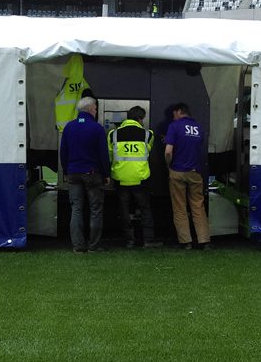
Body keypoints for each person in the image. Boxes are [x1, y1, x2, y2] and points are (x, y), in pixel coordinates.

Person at [60, 96, 110, 253]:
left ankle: (78, 246)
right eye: (95, 108)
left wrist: (66, 170)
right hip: (92, 174)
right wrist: (106, 173)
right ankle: (93, 246)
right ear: (90, 109)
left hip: (73, 173)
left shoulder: (69, 127)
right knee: (95, 209)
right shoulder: (97, 128)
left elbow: (63, 152)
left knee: (76, 209)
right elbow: (103, 154)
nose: (96, 111)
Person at [108, 106, 162, 249]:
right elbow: (148, 151)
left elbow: (110, 154)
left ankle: (129, 240)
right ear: (140, 119)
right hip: (140, 178)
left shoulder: (112, 134)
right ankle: (148, 240)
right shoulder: (148, 134)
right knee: (145, 208)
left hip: (120, 178)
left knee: (124, 209)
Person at [164, 102, 211, 250]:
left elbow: (168, 151)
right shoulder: (198, 127)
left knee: (179, 207)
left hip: (177, 171)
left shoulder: (174, 126)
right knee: (198, 206)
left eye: (173, 114)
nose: (173, 117)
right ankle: (204, 240)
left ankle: (186, 242)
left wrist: (168, 165)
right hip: (195, 172)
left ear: (178, 112)